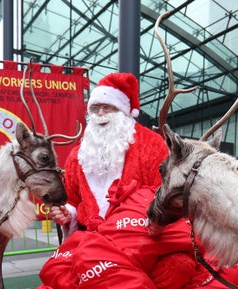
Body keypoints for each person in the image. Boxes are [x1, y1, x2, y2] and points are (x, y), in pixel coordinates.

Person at [49, 72, 168, 235]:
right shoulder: (79, 155)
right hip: (90, 238)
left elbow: (163, 192)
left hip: (136, 235)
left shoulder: (152, 144)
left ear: (122, 110)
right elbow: (74, 200)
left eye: (107, 107)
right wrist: (68, 213)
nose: (100, 114)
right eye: (95, 108)